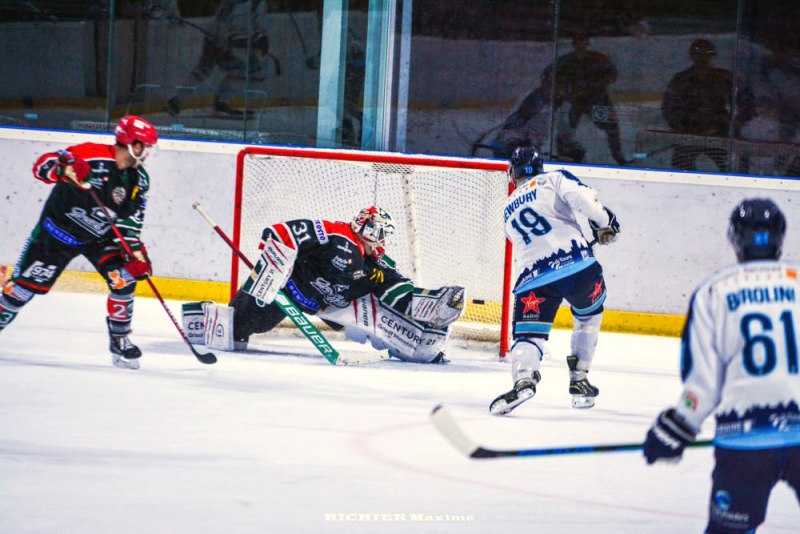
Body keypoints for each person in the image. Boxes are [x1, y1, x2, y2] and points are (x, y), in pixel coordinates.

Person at [643, 198, 800, 533]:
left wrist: (677, 428)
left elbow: (701, 380)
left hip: (744, 443)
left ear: (734, 239)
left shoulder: (713, 292)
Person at [183, 206, 466, 363]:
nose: (383, 243)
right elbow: (286, 231)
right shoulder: (337, 235)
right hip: (287, 289)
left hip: (330, 308)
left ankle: (421, 342)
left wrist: (425, 303)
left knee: (379, 328)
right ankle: (202, 317)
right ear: (370, 230)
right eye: (381, 235)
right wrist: (274, 249)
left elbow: (396, 287)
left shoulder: (376, 263)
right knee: (241, 329)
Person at [0, 116, 158, 370]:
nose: (147, 152)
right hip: (56, 236)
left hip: (100, 238)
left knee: (125, 277)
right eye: (144, 145)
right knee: (20, 292)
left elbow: (130, 221)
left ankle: (119, 339)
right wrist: (63, 169)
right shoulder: (91, 155)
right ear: (132, 143)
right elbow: (43, 165)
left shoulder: (139, 179)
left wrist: (137, 255)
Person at [490, 147, 620, 415]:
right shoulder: (555, 178)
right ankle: (579, 378)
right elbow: (585, 200)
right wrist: (605, 223)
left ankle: (524, 379)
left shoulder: (507, 208)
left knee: (529, 336)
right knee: (588, 316)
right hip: (579, 267)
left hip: (534, 280)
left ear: (513, 173)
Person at [165, 0, 274, 118]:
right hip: (224, 42)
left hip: (223, 40)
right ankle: (221, 103)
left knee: (203, 71)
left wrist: (259, 39)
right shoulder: (239, 4)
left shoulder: (257, 5)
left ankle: (177, 101)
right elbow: (226, 26)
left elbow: (256, 28)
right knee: (250, 73)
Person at [661, 39, 757, 172]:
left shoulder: (725, 78)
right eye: (698, 53)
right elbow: (669, 109)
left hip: (719, 135)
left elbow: (746, 104)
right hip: (690, 136)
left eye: (707, 53)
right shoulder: (681, 80)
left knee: (730, 169)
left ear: (713, 56)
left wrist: (732, 126)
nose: (702, 58)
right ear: (691, 55)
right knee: (680, 169)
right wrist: (686, 127)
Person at [551, 31, 628, 166]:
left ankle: (619, 158)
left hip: (597, 101)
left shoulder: (598, 59)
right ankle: (563, 156)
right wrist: (562, 92)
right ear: (574, 44)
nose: (581, 45)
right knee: (565, 131)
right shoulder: (565, 61)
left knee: (612, 128)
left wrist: (599, 83)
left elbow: (612, 74)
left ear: (587, 43)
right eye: (578, 41)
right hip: (575, 102)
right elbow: (551, 77)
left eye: (583, 41)